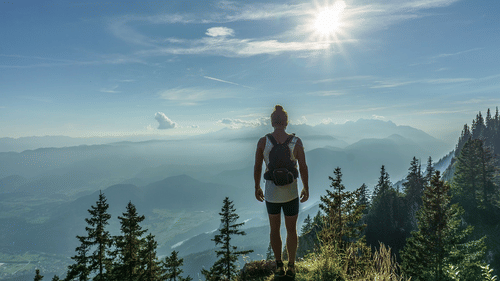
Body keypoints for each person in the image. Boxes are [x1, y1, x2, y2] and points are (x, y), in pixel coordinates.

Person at [254, 105, 309, 278]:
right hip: (291, 193)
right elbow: (303, 166)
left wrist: (257, 187)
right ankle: (291, 266)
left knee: (274, 229)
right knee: (291, 230)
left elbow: (257, 166)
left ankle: (279, 266)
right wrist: (306, 187)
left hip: (271, 194)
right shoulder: (296, 141)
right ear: (286, 122)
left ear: (272, 122)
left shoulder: (263, 142)